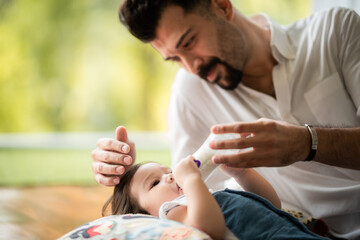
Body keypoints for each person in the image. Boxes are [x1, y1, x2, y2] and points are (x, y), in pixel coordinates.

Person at [91, 1, 360, 239]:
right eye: (174, 58)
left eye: (188, 42)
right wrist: (119, 170)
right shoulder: (190, 92)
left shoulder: (335, 31)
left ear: (221, 5)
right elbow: (190, 214)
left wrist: (307, 142)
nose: (191, 67)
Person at [102, 156, 329, 240]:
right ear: (145, 215)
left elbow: (271, 205)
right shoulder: (170, 212)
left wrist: (242, 173)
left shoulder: (207, 197)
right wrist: (191, 181)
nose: (169, 177)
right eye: (154, 183)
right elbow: (209, 227)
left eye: (167, 171)